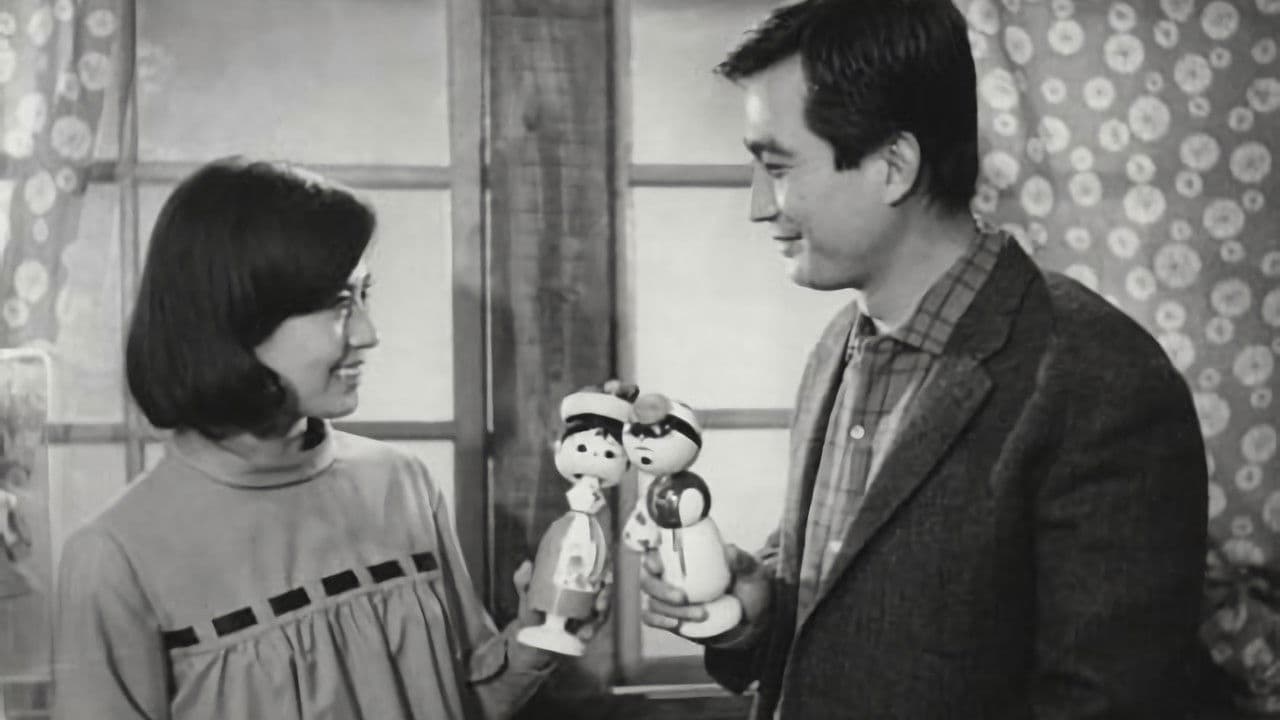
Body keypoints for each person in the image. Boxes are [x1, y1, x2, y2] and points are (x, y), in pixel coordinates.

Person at [639, 1, 1207, 717]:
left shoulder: (1099, 380)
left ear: (893, 166)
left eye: (777, 167)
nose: (758, 205)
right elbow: (852, 603)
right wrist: (758, 614)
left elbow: (1109, 702)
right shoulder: (839, 344)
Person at [52, 158, 605, 720]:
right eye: (340, 304)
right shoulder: (115, 559)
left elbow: (455, 703)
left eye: (365, 295)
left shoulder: (401, 484)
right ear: (236, 315)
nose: (369, 333)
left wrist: (536, 641)